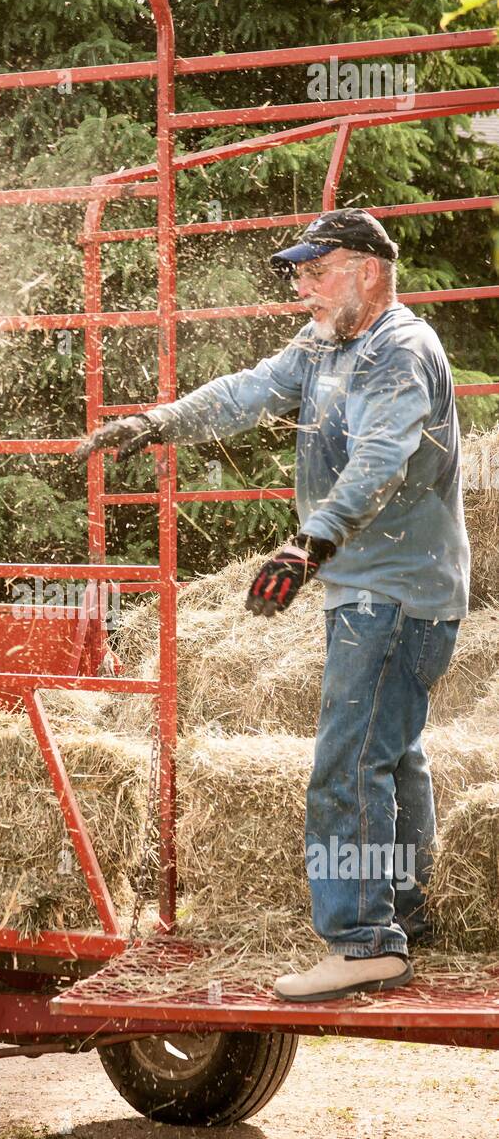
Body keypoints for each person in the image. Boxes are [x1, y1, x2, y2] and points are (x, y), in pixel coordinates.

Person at [76, 207, 469, 1003]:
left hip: (395, 592)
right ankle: (410, 910)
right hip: (379, 587)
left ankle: (363, 941)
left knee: (347, 765)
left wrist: (308, 543)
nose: (303, 289)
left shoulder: (398, 350)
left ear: (367, 268)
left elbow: (383, 459)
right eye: (298, 274)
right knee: (392, 754)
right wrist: (157, 423)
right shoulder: (329, 345)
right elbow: (249, 392)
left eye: (316, 271)